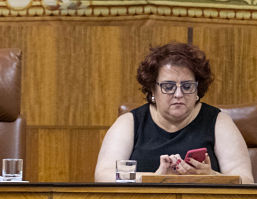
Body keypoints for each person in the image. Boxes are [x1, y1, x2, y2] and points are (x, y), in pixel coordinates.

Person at [95, 42, 254, 184]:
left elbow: (245, 180)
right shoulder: (129, 123)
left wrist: (211, 177)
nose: (178, 94)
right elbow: (104, 175)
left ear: (197, 89)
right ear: (153, 89)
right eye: (168, 87)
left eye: (187, 86)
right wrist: (153, 178)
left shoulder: (219, 121)